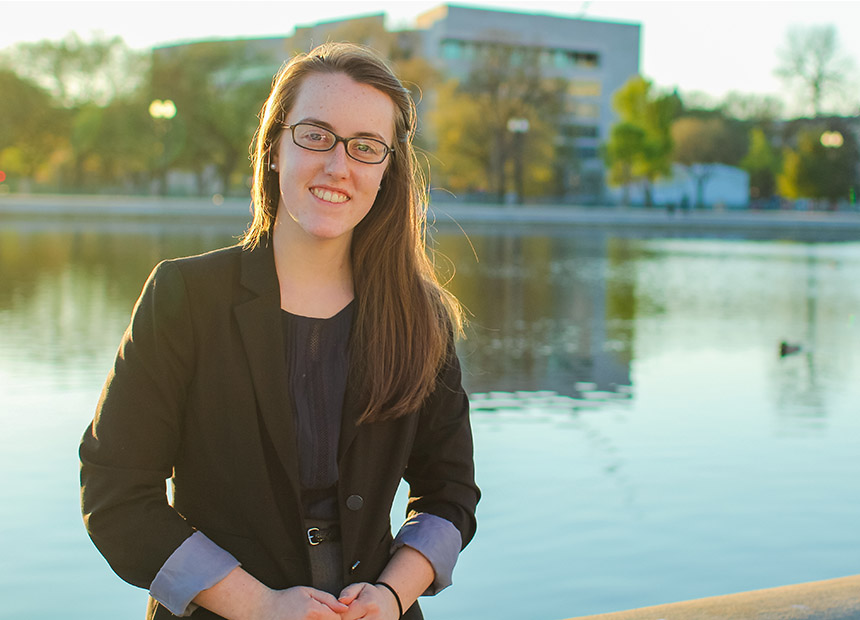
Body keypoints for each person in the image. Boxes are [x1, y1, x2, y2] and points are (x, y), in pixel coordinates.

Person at [79, 42, 480, 620]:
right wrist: (257, 605)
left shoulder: (422, 318)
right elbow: (116, 492)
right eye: (315, 135)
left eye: (366, 147)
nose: (338, 165)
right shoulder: (184, 297)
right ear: (273, 148)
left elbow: (450, 494)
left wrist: (392, 595)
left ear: (388, 170)